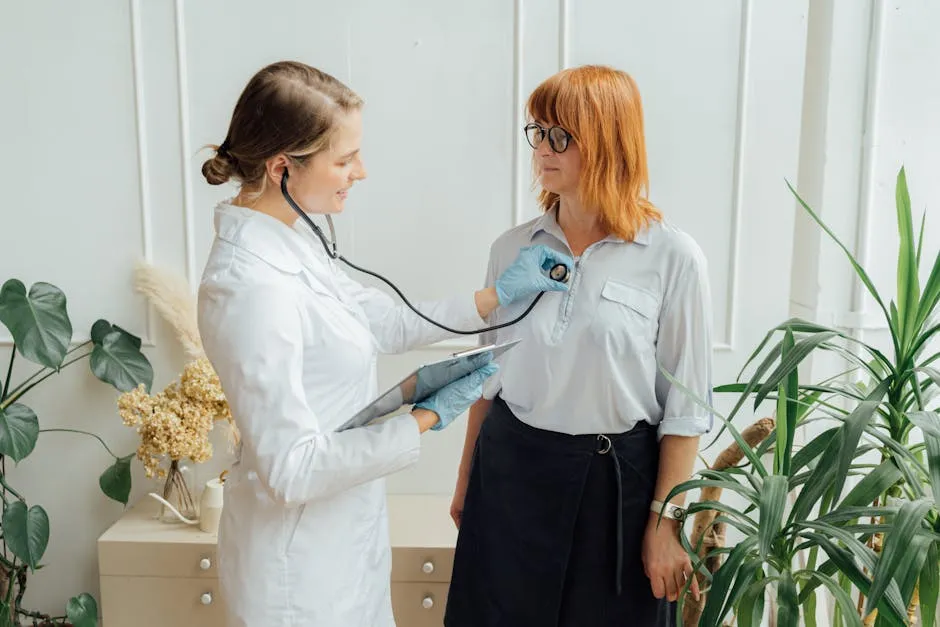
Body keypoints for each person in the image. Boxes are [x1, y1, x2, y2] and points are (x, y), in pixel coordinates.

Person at [195, 60, 572, 627]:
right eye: (344, 159)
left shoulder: (293, 244)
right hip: (297, 574)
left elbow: (385, 322)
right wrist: (420, 419)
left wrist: (495, 296)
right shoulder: (247, 287)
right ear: (282, 169)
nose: (361, 172)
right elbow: (293, 469)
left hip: (340, 545)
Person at [444, 64, 714, 627]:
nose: (542, 148)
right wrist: (466, 481)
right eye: (536, 132)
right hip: (511, 477)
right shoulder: (512, 247)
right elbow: (486, 378)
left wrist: (667, 522)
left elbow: (685, 412)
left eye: (559, 135)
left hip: (616, 493)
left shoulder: (672, 257)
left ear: (609, 140)